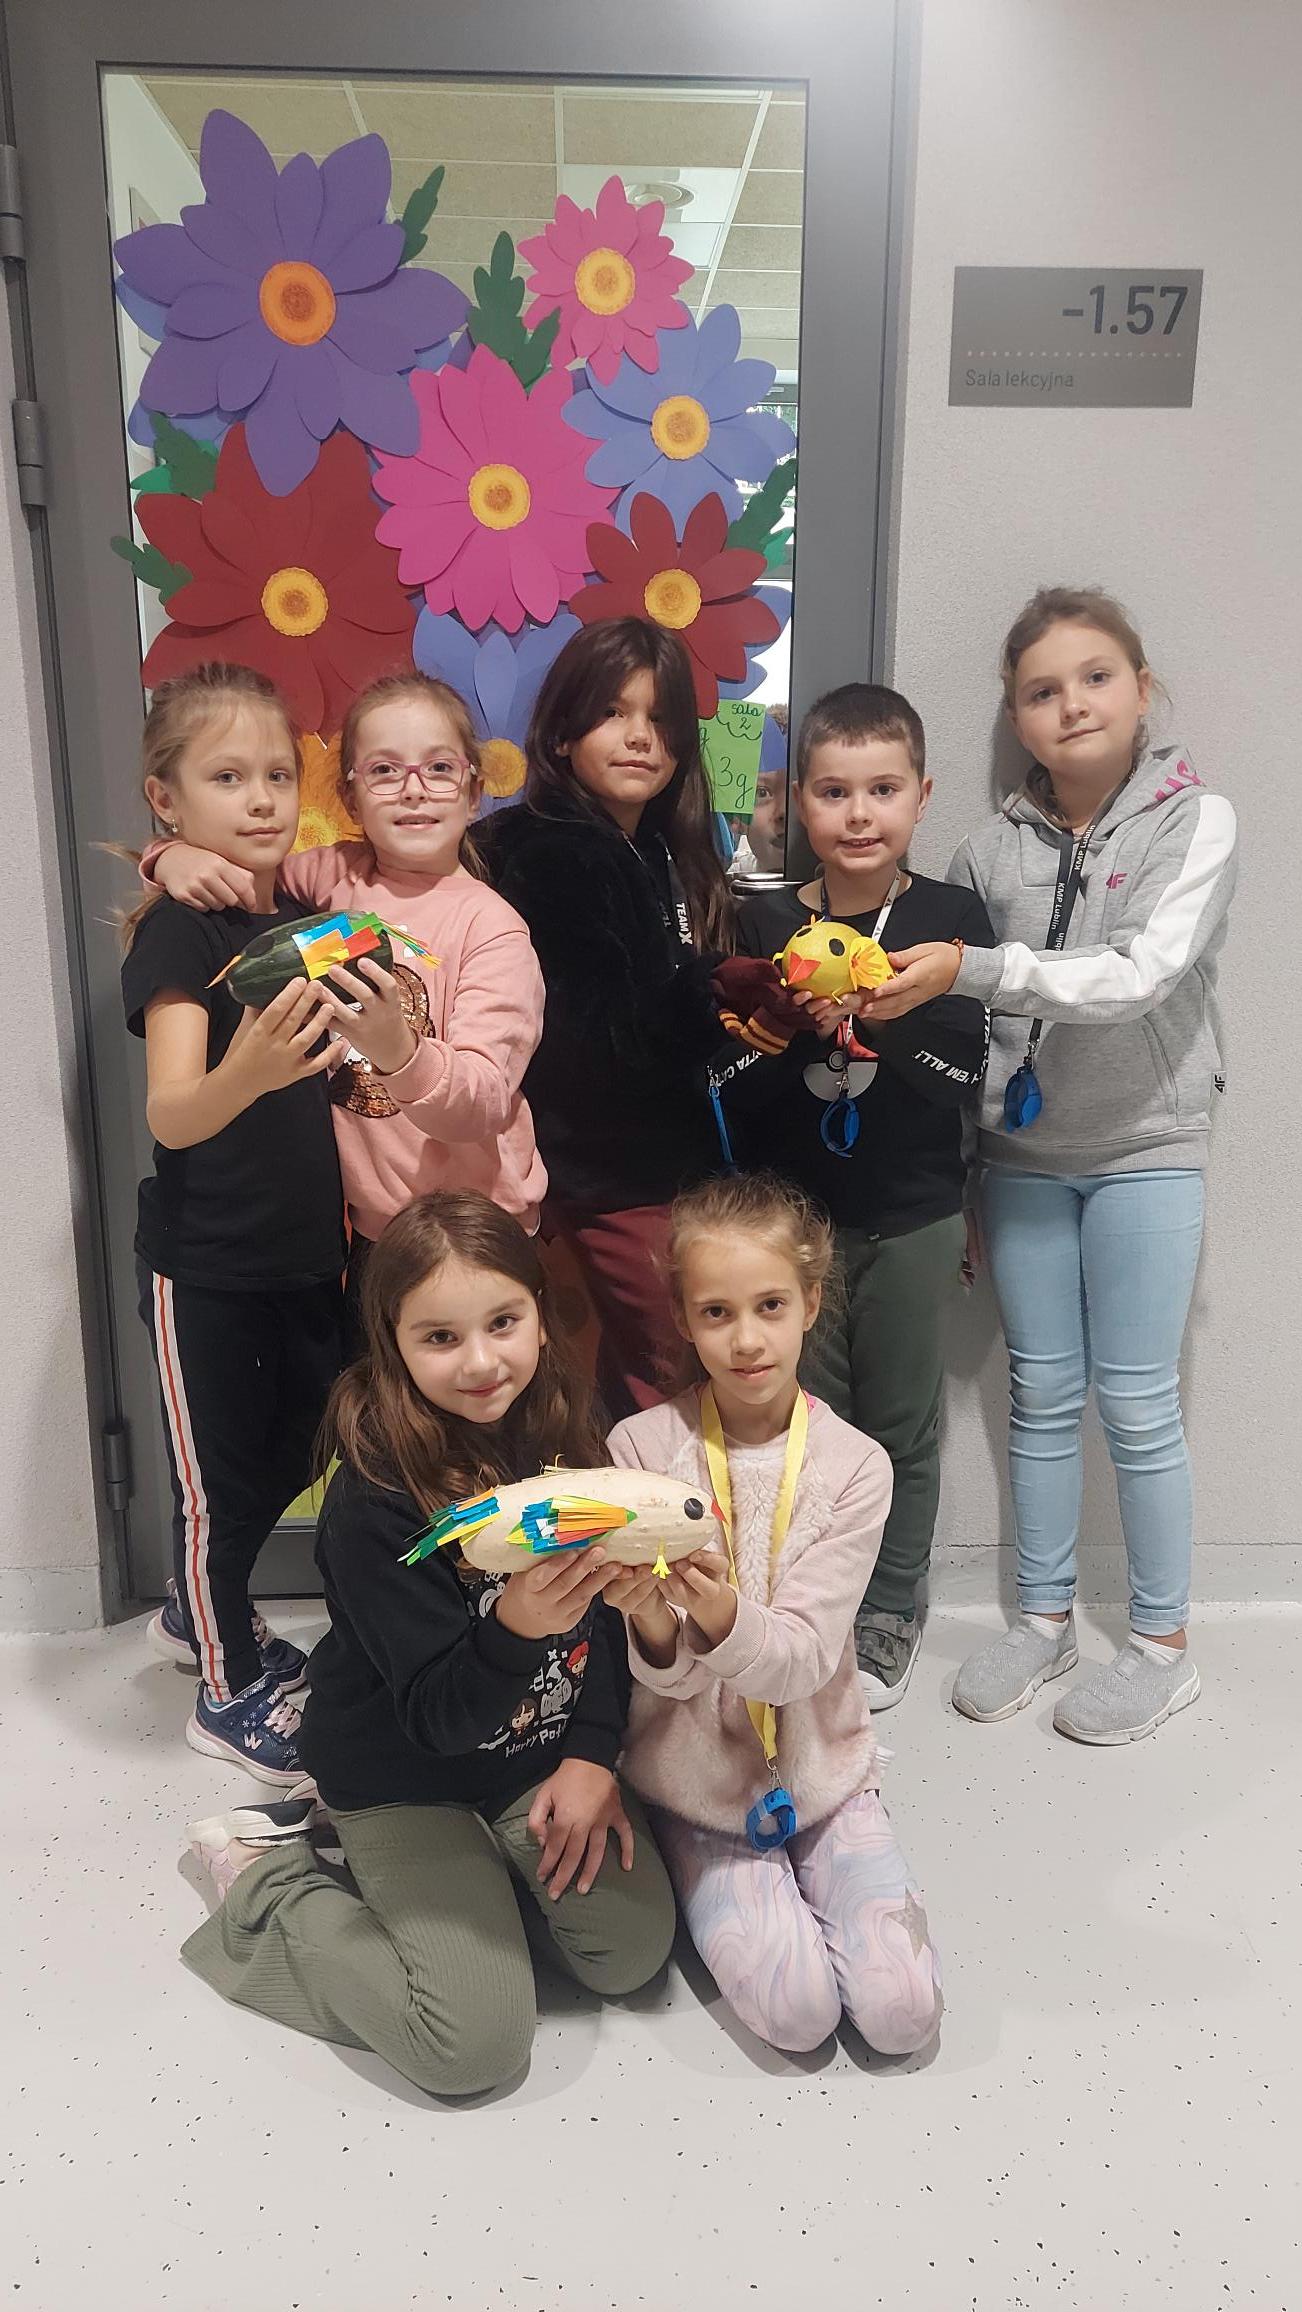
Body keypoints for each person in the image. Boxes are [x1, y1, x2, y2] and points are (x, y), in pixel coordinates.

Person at [183, 1193, 676, 2099]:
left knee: (631, 1955)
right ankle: (267, 1881)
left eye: (503, 1322)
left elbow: (606, 1621)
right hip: (403, 1772)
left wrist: (592, 1753)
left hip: (531, 1758)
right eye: (441, 1337)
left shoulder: (568, 1432)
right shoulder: (374, 1501)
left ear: (540, 1314)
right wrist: (519, 1623)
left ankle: (479, 1877)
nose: (482, 1362)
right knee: (472, 2047)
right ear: (393, 1343)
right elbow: (438, 1718)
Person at [856, 587, 1237, 1743]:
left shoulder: (1197, 819)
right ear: (1016, 717)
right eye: (1041, 689)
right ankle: (1043, 1618)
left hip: (1145, 1151)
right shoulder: (988, 850)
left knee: (1138, 1399)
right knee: (1041, 1394)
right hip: (1022, 1162)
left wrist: (972, 964)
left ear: (1142, 687)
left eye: (1095, 676)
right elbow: (966, 1035)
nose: (1071, 703)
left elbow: (1141, 974)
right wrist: (970, 1168)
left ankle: (1162, 1645)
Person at [603, 1172, 942, 2055]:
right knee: (797, 2015)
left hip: (822, 1772)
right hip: (694, 1780)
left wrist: (718, 1610)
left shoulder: (857, 1465)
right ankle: (688, 1843)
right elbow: (663, 1675)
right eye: (716, 1313)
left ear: (810, 1303)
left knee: (904, 2014)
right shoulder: (640, 1450)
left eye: (770, 1306)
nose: (747, 1339)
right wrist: (653, 1623)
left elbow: (799, 1661)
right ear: (684, 1319)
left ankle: (828, 1844)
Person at [712, 685, 994, 1706]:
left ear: (922, 795)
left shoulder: (950, 921)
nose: (859, 813)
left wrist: (888, 1016)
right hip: (792, 1232)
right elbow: (724, 1088)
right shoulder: (763, 919)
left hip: (915, 1213)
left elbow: (967, 1076)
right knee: (809, 1423)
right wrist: (787, 1031)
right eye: (833, 791)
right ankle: (814, 1600)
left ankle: (889, 1606)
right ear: (799, 802)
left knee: (902, 1426)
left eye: (883, 789)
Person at [138, 671, 546, 1343]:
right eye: (384, 770)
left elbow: (481, 1102)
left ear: (474, 790)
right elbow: (243, 868)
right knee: (384, 1409)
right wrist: (168, 856)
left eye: (439, 768)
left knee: (481, 1398)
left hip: (476, 1233)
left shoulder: (492, 930)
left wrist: (399, 1052)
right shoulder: (331, 880)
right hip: (376, 1240)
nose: (413, 789)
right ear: (351, 797)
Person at [120, 663, 347, 1781]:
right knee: (214, 1484)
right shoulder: (177, 931)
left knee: (305, 1442)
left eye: (275, 775)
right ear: (166, 798)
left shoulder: (300, 917)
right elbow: (172, 1112)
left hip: (308, 1253)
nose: (260, 799)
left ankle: (191, 1609)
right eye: (226, 777)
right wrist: (247, 1070)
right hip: (207, 1266)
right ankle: (224, 1685)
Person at [477, 617, 735, 1420]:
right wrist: (718, 998)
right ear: (562, 733)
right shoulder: (548, 848)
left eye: (660, 718)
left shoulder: (658, 847)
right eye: (613, 713)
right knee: (676, 1385)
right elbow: (598, 1045)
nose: (640, 737)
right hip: (604, 1178)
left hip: (648, 1172)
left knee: (643, 1387)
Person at [729, 712, 790, 880]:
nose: (784, 812)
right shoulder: (726, 886)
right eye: (762, 792)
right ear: (737, 816)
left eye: (796, 791)